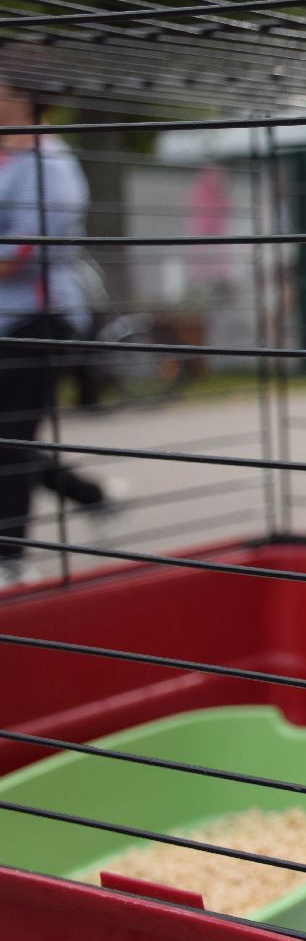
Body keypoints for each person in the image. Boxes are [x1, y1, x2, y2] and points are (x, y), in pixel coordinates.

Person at [0, 66, 91, 584]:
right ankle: (90, 495)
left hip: (40, 318)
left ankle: (8, 557)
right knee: (11, 436)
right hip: (6, 319)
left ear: (27, 97)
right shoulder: (9, 158)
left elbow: (21, 254)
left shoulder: (50, 166)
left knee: (11, 437)